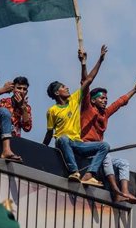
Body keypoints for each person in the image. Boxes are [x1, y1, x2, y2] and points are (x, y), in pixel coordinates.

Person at [43, 46, 109, 187]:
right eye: (63, 87)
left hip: (78, 143)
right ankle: (74, 172)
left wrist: (95, 61)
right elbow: (49, 133)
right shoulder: (52, 110)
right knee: (63, 138)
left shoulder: (74, 100)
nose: (67, 87)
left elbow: (88, 79)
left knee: (104, 145)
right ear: (56, 93)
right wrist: (42, 148)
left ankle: (89, 175)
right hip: (63, 143)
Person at [81, 81, 136, 203]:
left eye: (106, 98)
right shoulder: (87, 109)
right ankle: (115, 191)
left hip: (99, 151)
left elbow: (120, 102)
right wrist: (84, 65)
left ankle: (124, 192)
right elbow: (85, 84)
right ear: (93, 100)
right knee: (106, 153)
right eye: (102, 98)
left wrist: (135, 90)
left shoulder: (105, 114)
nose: (105, 101)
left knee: (123, 163)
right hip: (86, 147)